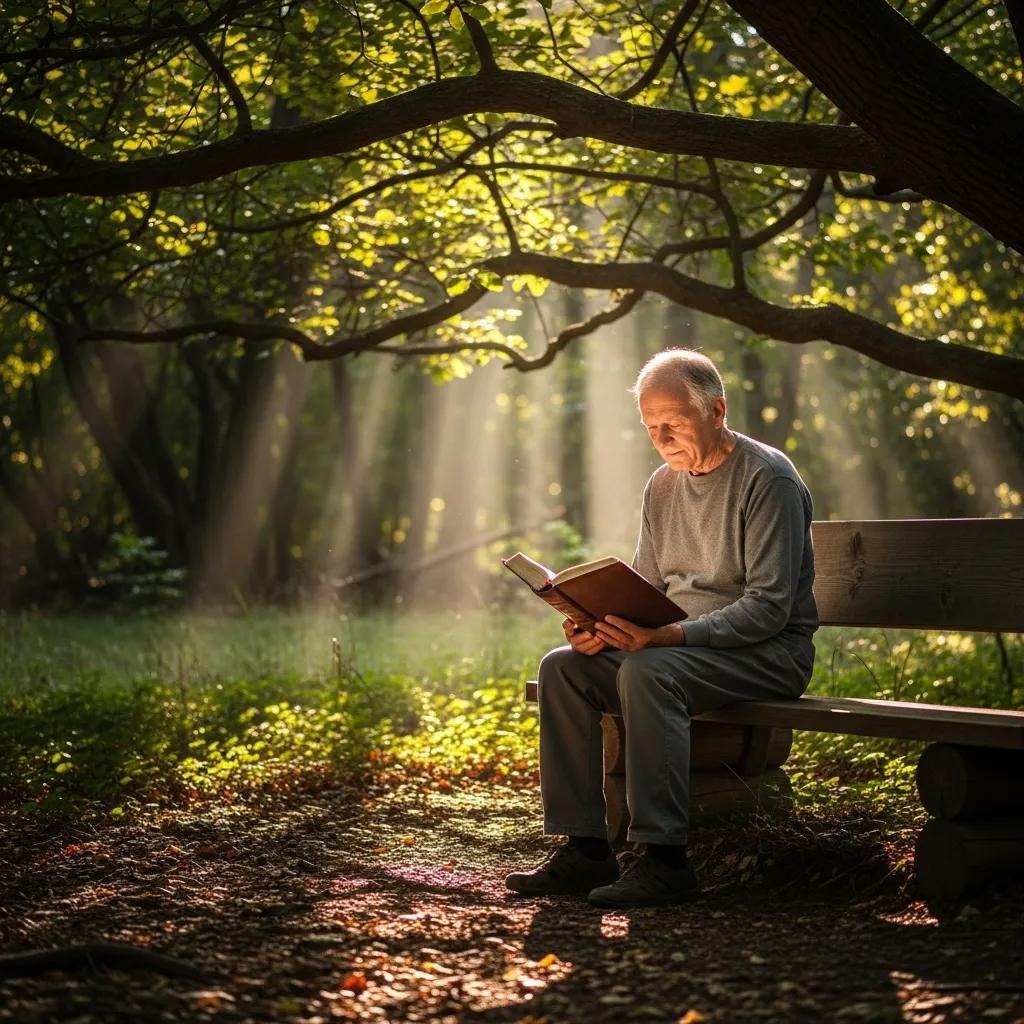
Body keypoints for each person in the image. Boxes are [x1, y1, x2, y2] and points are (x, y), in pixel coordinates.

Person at [505, 348, 818, 908]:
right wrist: (597, 625)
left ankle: (665, 861)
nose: (662, 437)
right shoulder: (662, 485)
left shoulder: (767, 479)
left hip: (768, 653)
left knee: (650, 671)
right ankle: (586, 849)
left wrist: (669, 637)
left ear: (717, 411)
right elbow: (646, 588)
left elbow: (770, 608)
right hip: (676, 651)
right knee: (564, 668)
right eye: (651, 426)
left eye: (674, 421)